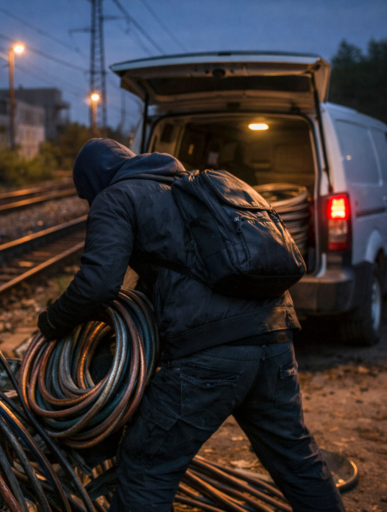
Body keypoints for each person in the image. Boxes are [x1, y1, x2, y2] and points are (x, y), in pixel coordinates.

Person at [37, 139, 345, 512]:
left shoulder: (117, 197)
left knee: (146, 465)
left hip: (209, 354)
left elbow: (98, 285)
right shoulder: (193, 185)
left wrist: (51, 323)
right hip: (275, 337)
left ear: (92, 182)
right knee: (295, 456)